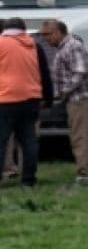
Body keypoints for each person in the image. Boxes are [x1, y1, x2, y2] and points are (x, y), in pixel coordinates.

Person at [41, 19, 88, 185]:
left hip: (81, 98)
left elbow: (80, 71)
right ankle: (87, 171)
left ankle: (86, 174)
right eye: (43, 35)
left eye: (48, 34)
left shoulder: (72, 46)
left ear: (59, 32)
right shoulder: (63, 48)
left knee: (81, 136)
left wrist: (65, 91)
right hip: (76, 98)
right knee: (79, 134)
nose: (46, 38)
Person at [0, 17, 53, 188]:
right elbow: (45, 74)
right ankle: (29, 180)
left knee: (2, 141)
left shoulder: (2, 44)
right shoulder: (34, 45)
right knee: (29, 141)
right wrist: (48, 98)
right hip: (31, 99)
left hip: (6, 99)